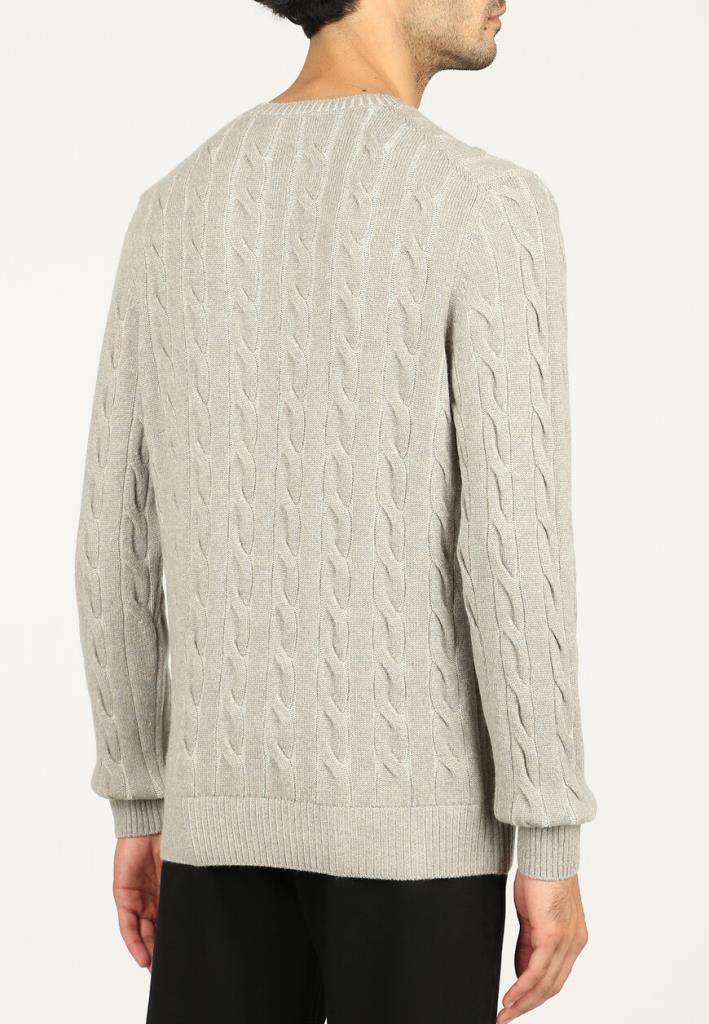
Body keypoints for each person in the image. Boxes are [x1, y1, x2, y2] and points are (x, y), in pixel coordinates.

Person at [73, 1, 597, 1021]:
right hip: (415, 838)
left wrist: (141, 797)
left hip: (210, 827)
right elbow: (513, 553)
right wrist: (547, 834)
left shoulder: (172, 206)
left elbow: (114, 537)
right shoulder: (483, 204)